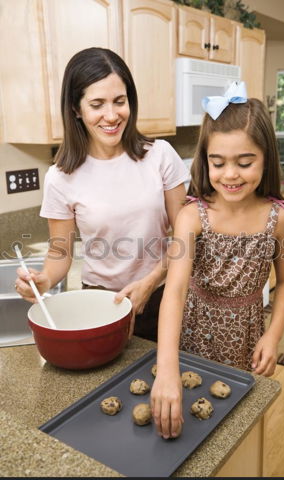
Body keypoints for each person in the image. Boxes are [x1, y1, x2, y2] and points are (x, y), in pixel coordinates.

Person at [150, 82, 284, 439]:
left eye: (245, 163)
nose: (230, 175)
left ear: (266, 159)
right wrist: (166, 364)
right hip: (194, 332)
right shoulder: (192, 216)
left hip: (246, 337)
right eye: (218, 163)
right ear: (205, 161)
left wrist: (273, 336)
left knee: (234, 424)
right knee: (193, 415)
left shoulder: (280, 218)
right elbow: (176, 289)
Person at [15, 47, 189, 340]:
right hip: (98, 305)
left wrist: (152, 280)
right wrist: (43, 280)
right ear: (76, 109)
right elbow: (60, 253)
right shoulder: (60, 177)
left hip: (163, 295)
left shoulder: (160, 156)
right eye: (97, 104)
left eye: (119, 101)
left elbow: (187, 237)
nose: (111, 115)